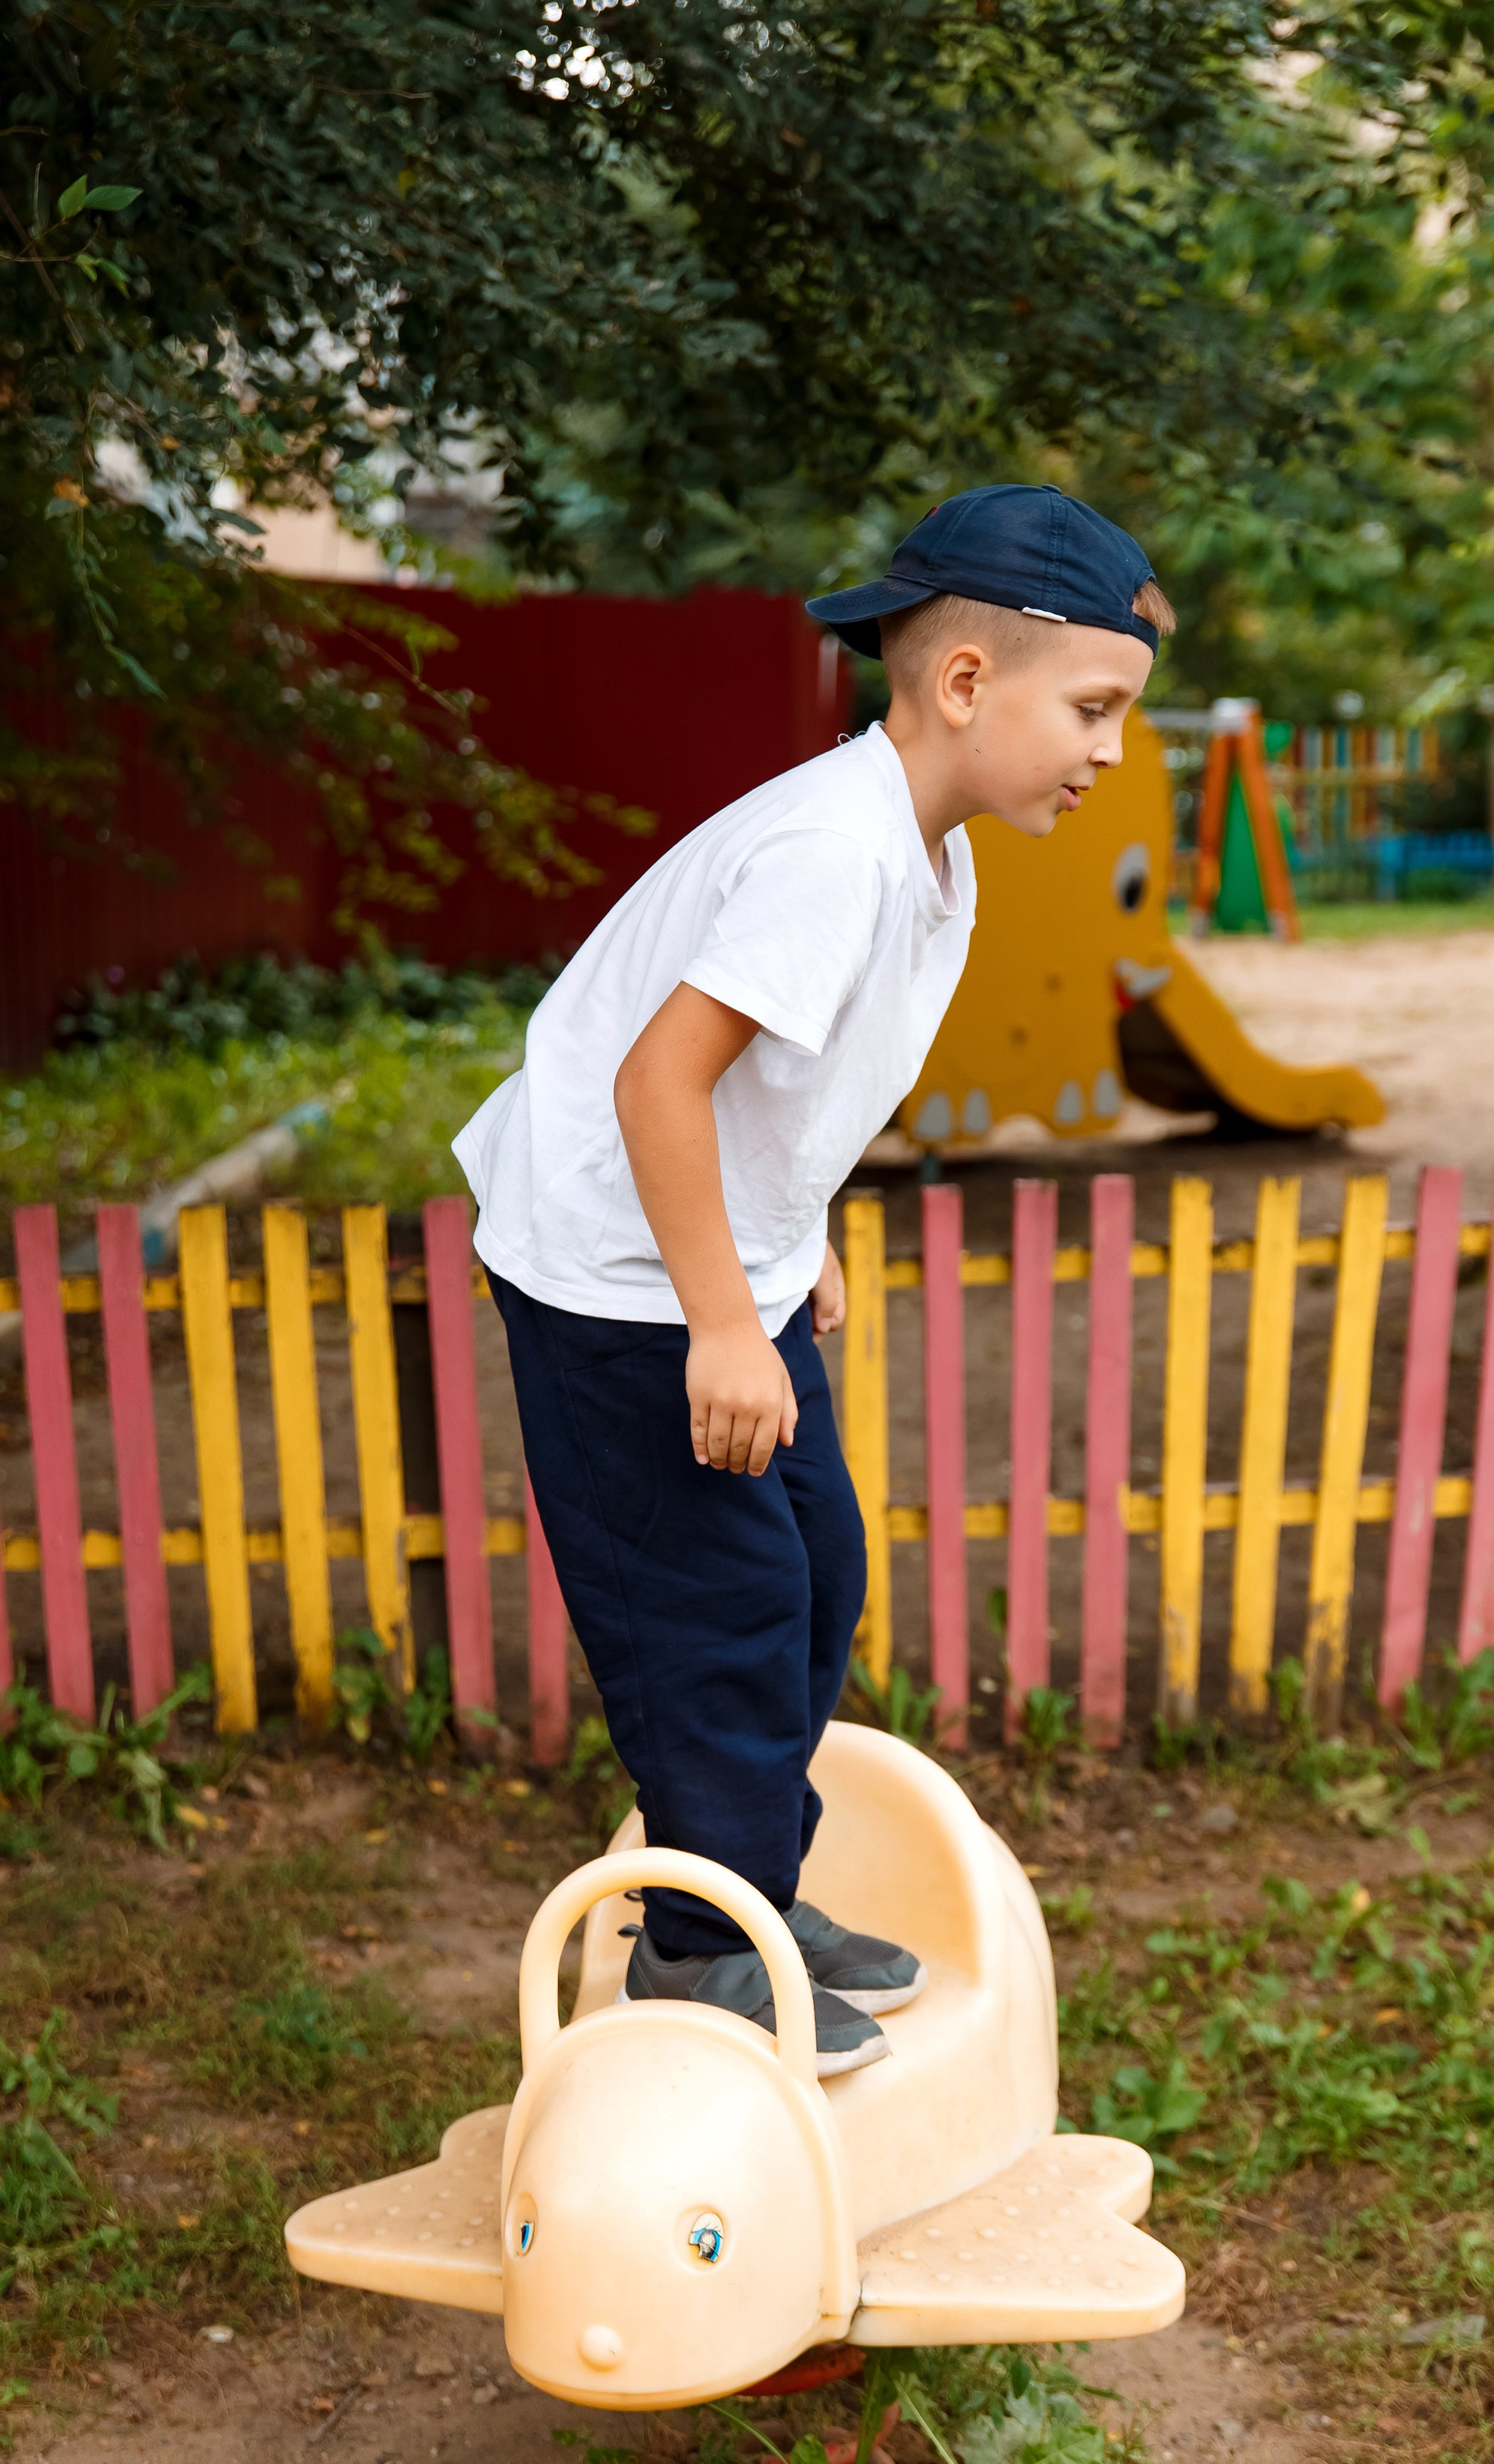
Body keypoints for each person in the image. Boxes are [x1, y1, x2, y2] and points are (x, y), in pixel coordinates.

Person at [454, 484, 1172, 2073]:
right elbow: (657, 1082)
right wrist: (723, 1314)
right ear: (965, 684)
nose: (1110, 750)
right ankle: (702, 1953)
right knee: (714, 1606)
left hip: (714, 1254)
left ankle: (751, 1889)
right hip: (619, 1275)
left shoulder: (929, 858)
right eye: (1094, 709)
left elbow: (790, 1084)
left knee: (813, 1573)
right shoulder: (831, 855)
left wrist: (794, 1238)